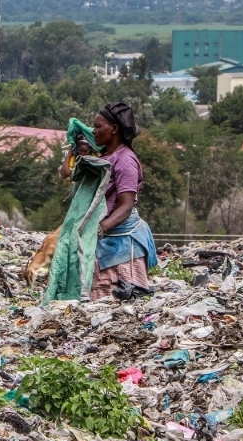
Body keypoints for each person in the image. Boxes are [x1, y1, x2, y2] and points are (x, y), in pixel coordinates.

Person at [91, 102, 158, 301]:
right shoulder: (104, 156)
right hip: (106, 237)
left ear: (114, 129)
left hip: (122, 242)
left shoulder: (125, 161)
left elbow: (126, 205)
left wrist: (101, 228)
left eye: (97, 126)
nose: (93, 131)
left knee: (122, 302)